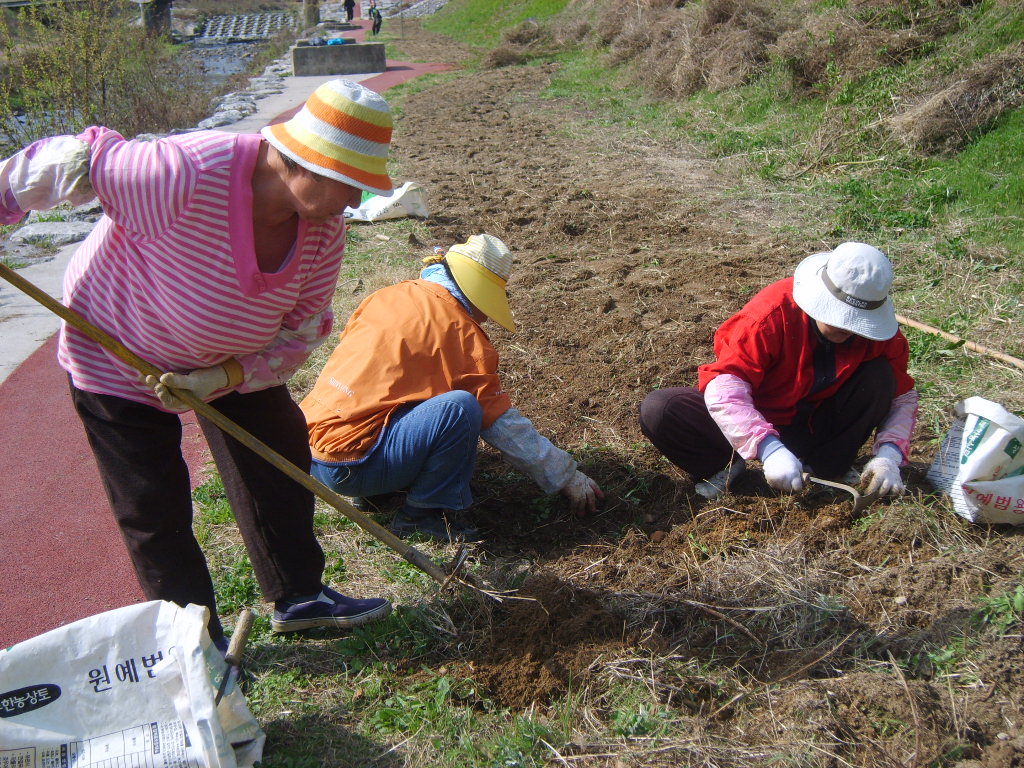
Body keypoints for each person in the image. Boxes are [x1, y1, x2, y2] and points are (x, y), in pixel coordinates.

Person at [0, 79, 397, 645]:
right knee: (152, 504)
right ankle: (195, 640)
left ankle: (300, 596)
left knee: (279, 457)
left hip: (230, 360)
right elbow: (75, 158)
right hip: (119, 352)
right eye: (351, 184)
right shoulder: (181, 174)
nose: (357, 201)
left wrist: (226, 377)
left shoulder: (323, 231)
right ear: (308, 163)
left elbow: (304, 329)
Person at [301, 233, 604, 542]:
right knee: (460, 408)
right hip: (356, 465)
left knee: (416, 395)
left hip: (312, 450)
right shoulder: (459, 331)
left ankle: (379, 492)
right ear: (476, 292)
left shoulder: (388, 296)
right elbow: (499, 422)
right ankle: (422, 514)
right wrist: (564, 474)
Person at [639, 242, 918, 501]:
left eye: (856, 323)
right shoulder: (772, 314)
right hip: (756, 417)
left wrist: (890, 456)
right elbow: (726, 387)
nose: (846, 329)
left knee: (881, 377)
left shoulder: (884, 339)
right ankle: (733, 467)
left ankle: (824, 470)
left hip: (817, 429)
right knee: (662, 409)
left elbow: (901, 398)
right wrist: (768, 448)